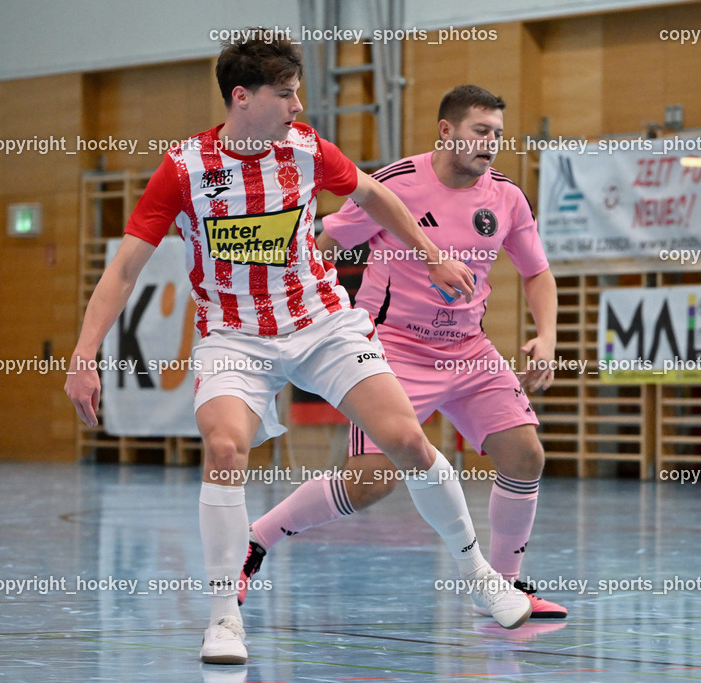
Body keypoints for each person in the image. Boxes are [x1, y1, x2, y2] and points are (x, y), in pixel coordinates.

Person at [64, 36, 532, 667]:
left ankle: (479, 577)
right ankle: (223, 617)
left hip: (320, 323)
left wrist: (430, 254)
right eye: (285, 94)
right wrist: (84, 355)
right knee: (224, 449)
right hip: (234, 335)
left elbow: (374, 196)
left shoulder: (307, 148)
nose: (297, 104)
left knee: (407, 441)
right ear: (242, 97)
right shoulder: (184, 168)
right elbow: (124, 268)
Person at [242, 85, 566, 620]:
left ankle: (505, 586)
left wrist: (547, 336)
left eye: (498, 134)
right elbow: (325, 245)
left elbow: (537, 272)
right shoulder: (396, 184)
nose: (491, 143)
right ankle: (256, 539)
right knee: (370, 482)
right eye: (480, 131)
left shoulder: (507, 197)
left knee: (525, 455)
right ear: (447, 130)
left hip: (468, 348)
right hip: (392, 348)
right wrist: (290, 309)